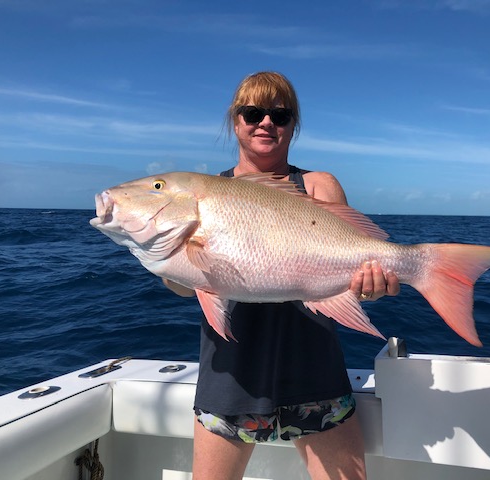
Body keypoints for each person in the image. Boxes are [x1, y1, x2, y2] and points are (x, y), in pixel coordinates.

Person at [163, 71, 399, 480]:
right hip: (231, 376)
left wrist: (371, 287)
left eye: (280, 114)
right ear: (235, 122)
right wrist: (169, 250)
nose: (265, 122)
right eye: (253, 113)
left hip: (315, 373)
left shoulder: (317, 186)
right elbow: (183, 287)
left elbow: (351, 273)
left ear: (293, 125)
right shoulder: (205, 194)